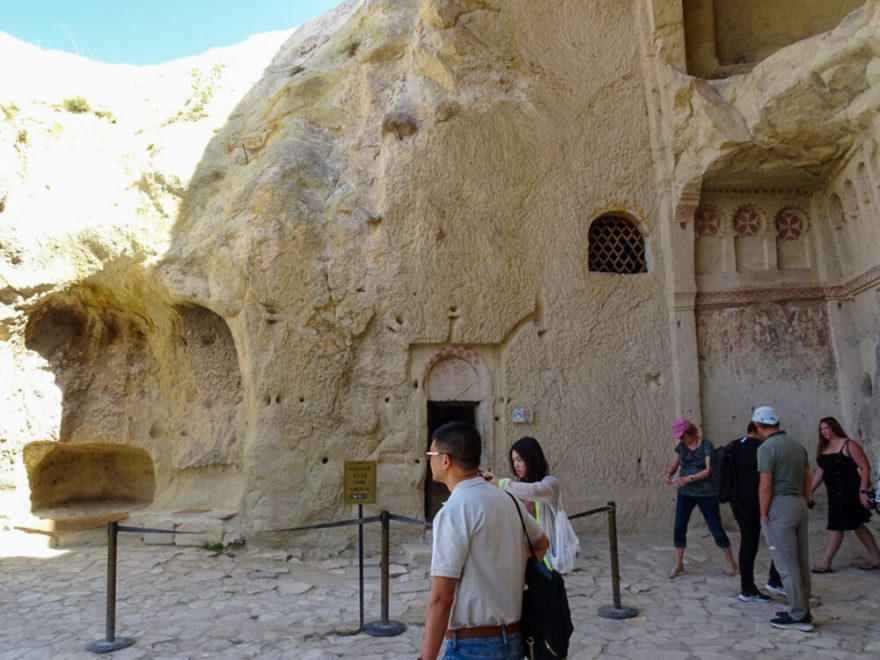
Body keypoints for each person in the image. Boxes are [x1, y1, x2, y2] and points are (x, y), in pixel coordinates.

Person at [419, 421, 549, 660]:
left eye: (431, 454)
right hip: (515, 638)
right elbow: (541, 543)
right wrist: (517, 576)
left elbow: (441, 598)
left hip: (472, 646)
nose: (428, 460)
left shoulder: (454, 511)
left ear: (445, 460)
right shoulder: (508, 500)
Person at [754, 406, 814, 631]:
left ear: (759, 426)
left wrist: (763, 511)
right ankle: (802, 607)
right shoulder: (796, 446)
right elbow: (807, 477)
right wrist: (806, 498)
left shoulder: (766, 448)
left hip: (779, 504)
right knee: (800, 559)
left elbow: (766, 483)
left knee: (786, 563)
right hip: (798, 501)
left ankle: (798, 615)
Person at [484, 436, 580, 573]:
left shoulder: (550, 483)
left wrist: (500, 483)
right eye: (513, 461)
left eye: (519, 460)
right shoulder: (515, 487)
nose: (515, 465)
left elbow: (535, 490)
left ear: (532, 459)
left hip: (546, 559)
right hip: (523, 557)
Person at [663, 418, 738, 579]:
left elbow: (708, 470)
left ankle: (731, 562)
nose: (681, 440)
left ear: (690, 433)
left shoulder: (706, 445)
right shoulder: (681, 447)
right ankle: (679, 563)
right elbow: (675, 464)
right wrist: (669, 474)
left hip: (705, 493)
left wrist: (688, 478)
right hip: (685, 493)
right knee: (679, 526)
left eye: (682, 436)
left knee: (715, 527)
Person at [807, 416, 880, 572]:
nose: (824, 431)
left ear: (834, 427)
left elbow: (865, 467)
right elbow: (820, 471)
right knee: (856, 525)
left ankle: (826, 563)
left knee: (839, 526)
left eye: (827, 428)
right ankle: (876, 558)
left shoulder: (848, 444)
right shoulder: (824, 448)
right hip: (834, 493)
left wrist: (862, 491)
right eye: (821, 429)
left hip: (850, 491)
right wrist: (810, 490)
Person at [725, 422, 783, 601]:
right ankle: (775, 579)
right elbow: (767, 480)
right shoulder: (762, 448)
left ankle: (747, 587)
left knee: (748, 543)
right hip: (760, 501)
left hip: (738, 502)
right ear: (759, 429)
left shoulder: (733, 446)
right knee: (779, 540)